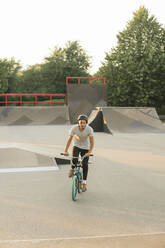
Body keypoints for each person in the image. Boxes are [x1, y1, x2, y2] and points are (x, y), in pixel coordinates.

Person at [63, 114, 94, 192]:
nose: (82, 124)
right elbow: (69, 140)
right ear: (78, 123)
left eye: (84, 123)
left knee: (85, 164)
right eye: (81, 122)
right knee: (74, 159)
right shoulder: (74, 128)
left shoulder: (89, 129)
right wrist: (66, 151)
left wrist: (89, 152)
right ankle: (72, 169)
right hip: (76, 145)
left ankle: (84, 184)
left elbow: (92, 142)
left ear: (86, 123)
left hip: (85, 148)